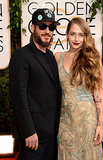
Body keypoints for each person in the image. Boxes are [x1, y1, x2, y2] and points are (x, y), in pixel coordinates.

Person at [9, 8, 62, 160]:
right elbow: (19, 98)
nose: (48, 31)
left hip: (52, 134)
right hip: (34, 137)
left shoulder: (51, 56)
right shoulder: (21, 56)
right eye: (42, 26)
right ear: (32, 28)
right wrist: (29, 131)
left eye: (51, 27)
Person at [55, 17, 103, 160]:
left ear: (86, 36)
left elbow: (99, 91)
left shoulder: (93, 58)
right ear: (66, 34)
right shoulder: (57, 57)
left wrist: (100, 125)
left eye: (81, 34)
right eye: (72, 34)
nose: (76, 38)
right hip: (65, 124)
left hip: (88, 122)